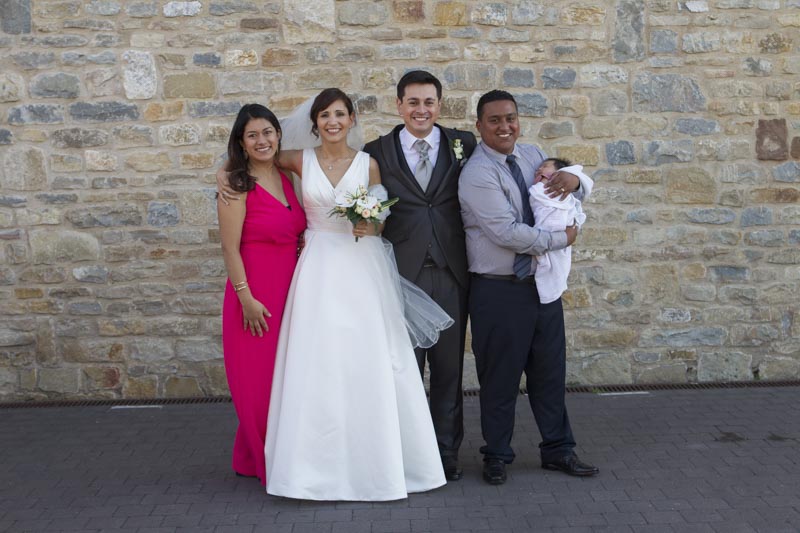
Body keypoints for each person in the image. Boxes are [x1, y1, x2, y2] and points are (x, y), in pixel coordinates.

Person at [262, 88, 448, 501]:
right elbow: (254, 158)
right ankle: (312, 468)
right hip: (318, 267)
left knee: (368, 355)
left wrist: (371, 223)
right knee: (318, 358)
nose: (332, 121)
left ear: (351, 120)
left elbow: (380, 217)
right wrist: (226, 175)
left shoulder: (368, 164)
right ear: (315, 123)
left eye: (340, 114)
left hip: (361, 266)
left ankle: (380, 464)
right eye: (325, 115)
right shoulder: (297, 159)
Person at [458, 90, 598, 485]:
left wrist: (576, 179)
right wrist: (562, 239)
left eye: (510, 118)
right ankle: (496, 455)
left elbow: (570, 184)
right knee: (499, 378)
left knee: (550, 373)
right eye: (494, 120)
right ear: (479, 126)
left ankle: (559, 450)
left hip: (541, 286)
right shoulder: (477, 173)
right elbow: (506, 233)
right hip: (498, 289)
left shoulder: (534, 154)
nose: (505, 127)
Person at [363, 70, 477, 481]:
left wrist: (573, 176)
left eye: (429, 102)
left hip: (450, 274)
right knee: (403, 371)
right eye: (412, 102)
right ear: (399, 105)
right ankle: (407, 456)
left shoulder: (464, 143)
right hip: (400, 277)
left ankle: (445, 455)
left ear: (439, 105)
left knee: (448, 372)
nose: (421, 110)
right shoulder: (376, 152)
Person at [217, 104, 307, 485]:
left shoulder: (286, 176)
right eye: (252, 135)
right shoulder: (235, 185)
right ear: (241, 142)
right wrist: (246, 299)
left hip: (290, 289)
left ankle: (266, 452)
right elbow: (229, 248)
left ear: (278, 134)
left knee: (283, 378)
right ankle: (263, 457)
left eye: (267, 132)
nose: (261, 141)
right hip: (254, 294)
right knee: (256, 383)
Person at [529, 158, 587, 304]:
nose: (539, 169)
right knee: (547, 262)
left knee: (558, 261)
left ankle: (553, 287)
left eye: (545, 166)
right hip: (547, 232)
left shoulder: (562, 188)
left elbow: (572, 200)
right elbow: (538, 197)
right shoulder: (539, 186)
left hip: (560, 225)